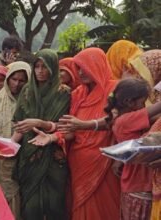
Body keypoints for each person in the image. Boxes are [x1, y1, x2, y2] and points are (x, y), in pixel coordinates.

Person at [32, 48, 121, 219]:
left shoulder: (115, 89)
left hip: (105, 161)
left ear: (97, 65)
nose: (80, 72)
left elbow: (114, 119)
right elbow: (70, 129)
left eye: (85, 67)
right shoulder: (77, 94)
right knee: (80, 206)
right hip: (79, 161)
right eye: (78, 68)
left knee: (107, 206)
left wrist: (84, 124)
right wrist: (51, 136)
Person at [11, 49, 71, 220]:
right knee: (31, 206)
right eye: (36, 66)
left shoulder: (63, 92)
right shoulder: (27, 91)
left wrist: (39, 123)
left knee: (55, 203)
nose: (40, 71)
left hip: (53, 154)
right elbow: (19, 125)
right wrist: (8, 146)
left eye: (44, 67)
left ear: (52, 68)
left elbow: (67, 126)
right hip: (29, 154)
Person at [104, 78, 161, 220]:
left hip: (133, 183)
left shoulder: (127, 118)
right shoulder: (126, 121)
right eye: (143, 102)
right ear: (129, 102)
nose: (144, 106)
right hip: (139, 184)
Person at [0, 61, 30, 219]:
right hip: (1, 163)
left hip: (26, 161)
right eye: (14, 79)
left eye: (22, 80)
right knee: (2, 199)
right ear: (8, 79)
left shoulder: (31, 101)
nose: (17, 84)